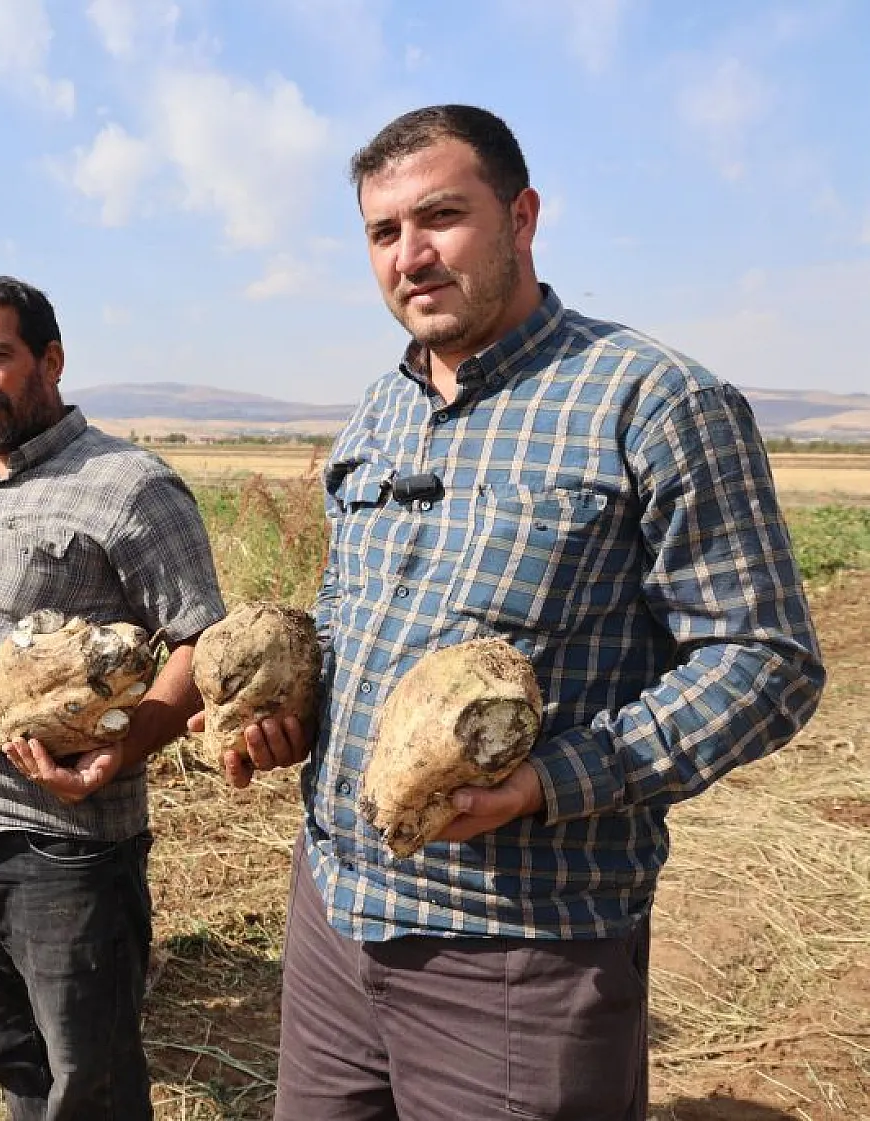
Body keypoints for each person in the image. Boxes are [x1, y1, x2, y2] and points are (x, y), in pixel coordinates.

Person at [240, 104, 826, 1119]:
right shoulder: (380, 412)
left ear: (521, 216)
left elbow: (763, 658)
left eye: (439, 217)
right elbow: (348, 621)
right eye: (382, 232)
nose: (409, 256)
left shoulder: (651, 400)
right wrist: (294, 705)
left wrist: (551, 779)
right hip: (335, 918)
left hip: (521, 948)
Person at [0, 277, 224, 1120]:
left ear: (50, 359)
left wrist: (122, 748)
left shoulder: (130, 484)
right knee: (12, 1055)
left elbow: (202, 640)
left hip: (62, 842)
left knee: (85, 1076)